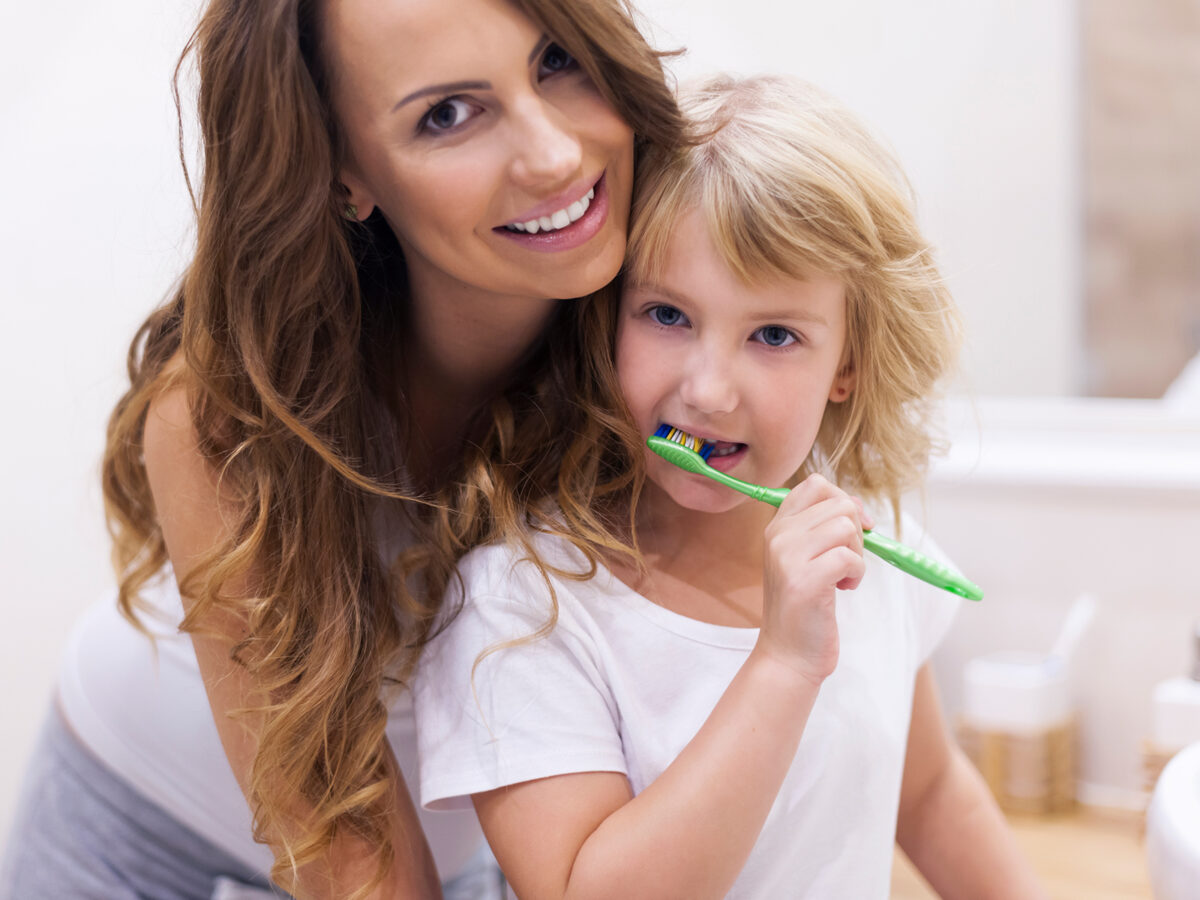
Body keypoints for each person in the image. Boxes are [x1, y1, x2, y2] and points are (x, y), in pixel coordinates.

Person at [0, 0, 686, 898]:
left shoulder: (698, 339)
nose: (555, 155)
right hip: (135, 843)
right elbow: (353, 862)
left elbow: (882, 749)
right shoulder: (228, 417)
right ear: (342, 171)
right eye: (447, 114)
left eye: (558, 59)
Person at [413, 74, 1048, 898]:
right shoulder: (521, 606)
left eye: (775, 334)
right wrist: (782, 665)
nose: (710, 390)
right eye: (667, 316)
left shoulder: (861, 542)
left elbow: (928, 796)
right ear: (606, 321)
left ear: (846, 364)